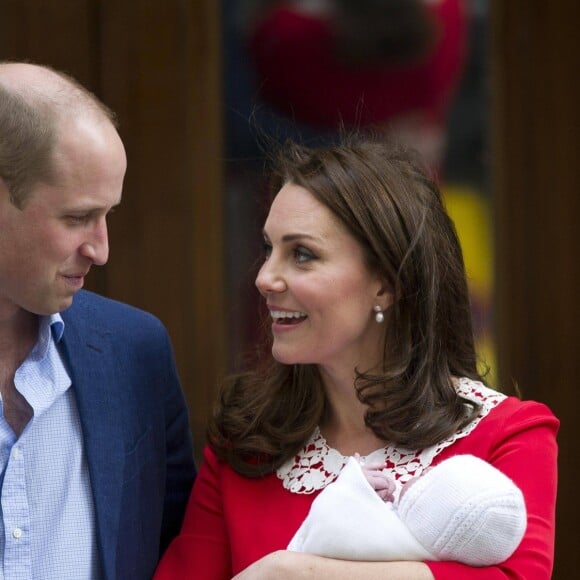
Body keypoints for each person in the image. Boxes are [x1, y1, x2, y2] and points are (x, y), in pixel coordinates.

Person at [154, 135, 558, 579]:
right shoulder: (246, 445)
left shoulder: (507, 435)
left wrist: (296, 574)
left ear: (385, 283)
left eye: (302, 254)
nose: (266, 278)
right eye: (269, 249)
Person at [0, 62, 196, 579]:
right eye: (76, 217)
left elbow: (178, 550)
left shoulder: (135, 351)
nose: (101, 249)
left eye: (107, 214)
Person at [289, 454, 527, 566]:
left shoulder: (382, 542)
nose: (424, 469)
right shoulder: (427, 550)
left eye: (428, 476)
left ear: (423, 513)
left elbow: (326, 526)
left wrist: (355, 485)